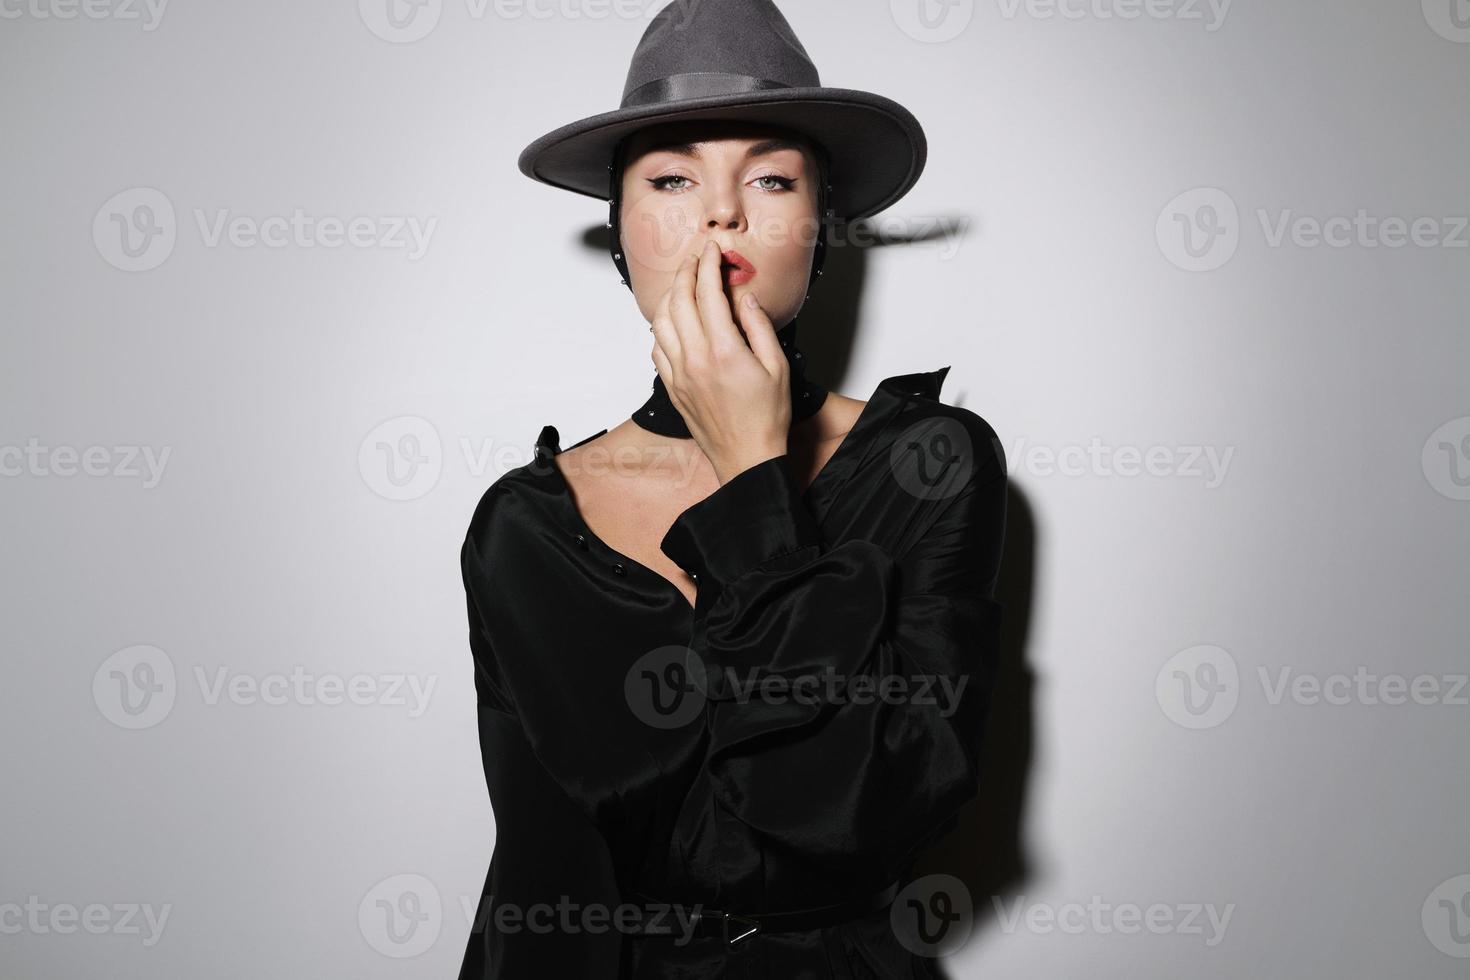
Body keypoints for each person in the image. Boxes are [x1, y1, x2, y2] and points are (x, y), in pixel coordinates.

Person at [458, 2, 1008, 976]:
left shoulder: (932, 463)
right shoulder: (525, 523)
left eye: (770, 176)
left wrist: (757, 475)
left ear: (821, 230)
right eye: (672, 177)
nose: (723, 212)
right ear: (620, 234)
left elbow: (847, 819)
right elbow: (544, 876)